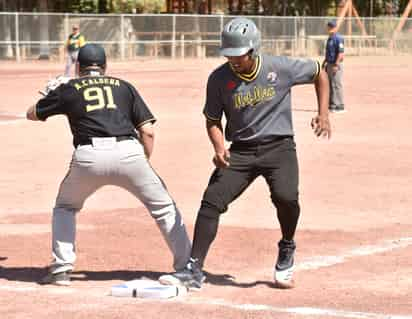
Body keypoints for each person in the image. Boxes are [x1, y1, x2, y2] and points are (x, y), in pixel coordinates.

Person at [159, 17, 331, 290]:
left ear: (254, 50)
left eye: (239, 55)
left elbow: (319, 72)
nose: (234, 61)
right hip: (241, 151)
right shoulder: (218, 79)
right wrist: (218, 148)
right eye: (229, 55)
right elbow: (213, 120)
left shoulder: (279, 67)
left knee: (287, 198)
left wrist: (323, 113)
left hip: (279, 147)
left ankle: (287, 247)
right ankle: (193, 269)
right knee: (211, 201)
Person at [26, 43, 191, 286]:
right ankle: (187, 267)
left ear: (79, 67)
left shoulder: (69, 88)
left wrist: (49, 95)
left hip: (88, 157)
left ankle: (61, 269)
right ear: (105, 66)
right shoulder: (124, 86)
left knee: (65, 207)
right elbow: (148, 131)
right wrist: (140, 162)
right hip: (129, 152)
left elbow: (32, 114)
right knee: (164, 208)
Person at [322, 20, 345, 113]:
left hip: (335, 64)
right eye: (329, 27)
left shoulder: (338, 38)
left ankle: (340, 105)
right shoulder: (330, 38)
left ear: (336, 28)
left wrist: (336, 64)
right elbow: (328, 53)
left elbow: (340, 53)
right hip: (329, 64)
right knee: (330, 85)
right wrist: (324, 63)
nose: (330, 28)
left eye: (332, 27)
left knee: (337, 85)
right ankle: (332, 104)